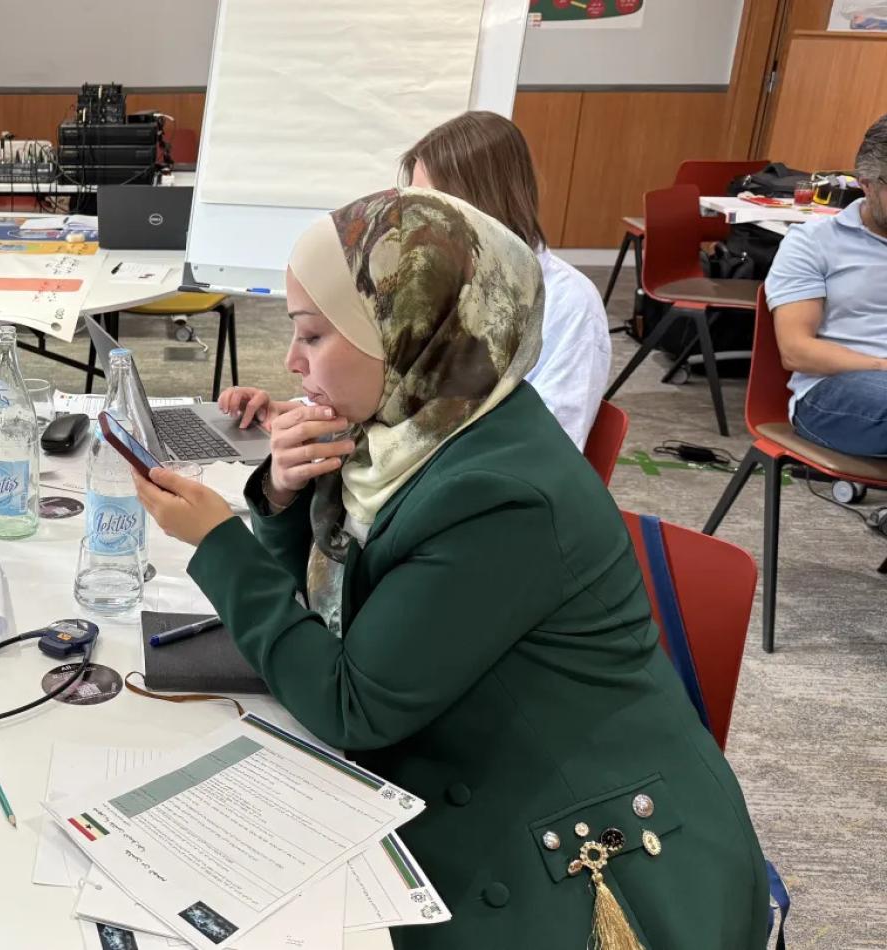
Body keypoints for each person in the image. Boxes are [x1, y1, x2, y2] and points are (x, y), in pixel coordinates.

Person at [134, 188, 768, 948]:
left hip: (591, 854)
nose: (292, 362)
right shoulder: (415, 429)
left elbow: (347, 700)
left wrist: (218, 543)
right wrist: (280, 493)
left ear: (411, 332)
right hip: (467, 759)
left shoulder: (497, 496)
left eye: (312, 336)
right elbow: (324, 612)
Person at [220, 111, 611, 451]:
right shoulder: (435, 283)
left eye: (432, 204)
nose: (415, 223)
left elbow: (552, 443)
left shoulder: (569, 303)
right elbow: (391, 389)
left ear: (480, 206)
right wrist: (302, 412)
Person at [766, 113, 887, 457]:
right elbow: (796, 349)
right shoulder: (814, 242)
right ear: (867, 184)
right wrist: (882, 366)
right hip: (833, 391)